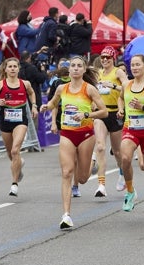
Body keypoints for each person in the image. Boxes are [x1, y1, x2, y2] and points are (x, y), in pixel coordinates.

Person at [39, 56, 108, 229]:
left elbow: (104, 112)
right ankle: (66, 215)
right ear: (68, 70)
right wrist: (45, 107)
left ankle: (87, 164)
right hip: (67, 134)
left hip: (85, 135)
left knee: (83, 178)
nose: (76, 68)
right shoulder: (62, 88)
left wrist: (86, 115)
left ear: (84, 70)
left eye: (79, 66)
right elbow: (53, 103)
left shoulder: (89, 89)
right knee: (66, 172)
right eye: (73, 66)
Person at [0, 58, 39, 196]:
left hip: (20, 121)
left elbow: (32, 93)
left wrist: (34, 106)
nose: (12, 69)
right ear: (5, 69)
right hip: (5, 122)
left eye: (15, 66)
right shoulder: (0, 85)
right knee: (11, 154)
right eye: (10, 66)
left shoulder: (25, 83)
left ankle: (14, 184)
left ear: (18, 69)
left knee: (16, 150)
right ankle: (19, 165)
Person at [117, 54, 144, 219]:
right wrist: (121, 109)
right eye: (132, 65)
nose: (134, 68)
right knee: (125, 158)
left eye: (137, 65)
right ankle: (130, 191)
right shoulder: (126, 85)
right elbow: (121, 99)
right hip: (131, 128)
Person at [93, 46, 129, 196]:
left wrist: (113, 86)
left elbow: (128, 87)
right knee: (100, 147)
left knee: (117, 151)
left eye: (108, 57)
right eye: (102, 57)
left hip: (116, 113)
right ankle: (101, 185)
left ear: (113, 58)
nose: (105, 60)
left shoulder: (117, 72)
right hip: (101, 113)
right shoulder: (98, 74)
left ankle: (122, 173)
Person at [18, 51, 48, 116]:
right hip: (32, 98)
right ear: (29, 58)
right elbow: (41, 79)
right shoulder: (31, 68)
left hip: (19, 98)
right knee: (33, 123)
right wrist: (43, 71)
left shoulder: (17, 67)